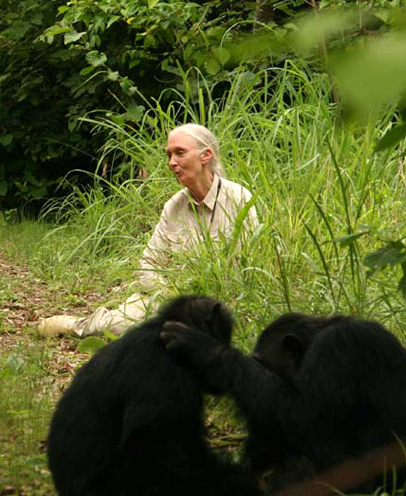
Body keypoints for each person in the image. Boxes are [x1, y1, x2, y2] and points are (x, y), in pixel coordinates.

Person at [37, 123, 259, 338]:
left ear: (205, 156)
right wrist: (171, 296)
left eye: (180, 153)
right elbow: (149, 264)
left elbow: (246, 268)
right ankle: (79, 326)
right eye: (169, 155)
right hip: (169, 300)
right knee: (122, 325)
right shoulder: (173, 206)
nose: (172, 162)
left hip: (219, 303)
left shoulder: (238, 199)